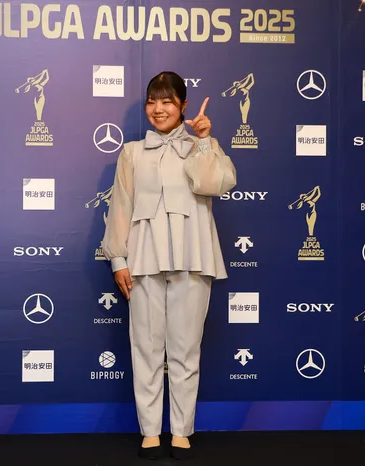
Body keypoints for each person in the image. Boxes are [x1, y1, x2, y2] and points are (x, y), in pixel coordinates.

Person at [102, 71, 237, 460]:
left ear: (183, 106)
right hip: (143, 259)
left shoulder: (201, 146)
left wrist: (205, 140)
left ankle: (180, 431)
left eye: (167, 101)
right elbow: (121, 206)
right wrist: (118, 258)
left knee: (185, 349)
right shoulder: (131, 152)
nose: (158, 109)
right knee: (146, 348)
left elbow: (214, 184)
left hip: (193, 258)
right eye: (152, 101)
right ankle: (149, 431)